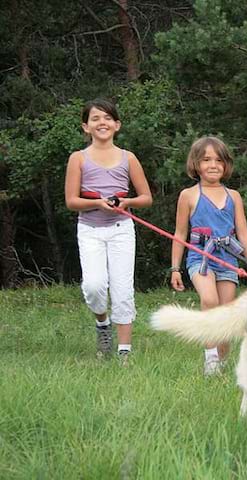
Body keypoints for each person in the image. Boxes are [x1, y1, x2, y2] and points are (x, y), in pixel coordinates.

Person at [64, 98, 153, 365]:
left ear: (117, 125)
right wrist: (97, 202)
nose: (101, 122)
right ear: (86, 127)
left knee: (123, 289)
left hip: (121, 230)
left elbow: (146, 197)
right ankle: (102, 324)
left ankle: (124, 352)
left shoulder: (129, 158)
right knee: (94, 286)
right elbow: (71, 201)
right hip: (90, 229)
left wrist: (126, 202)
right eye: (95, 118)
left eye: (107, 118)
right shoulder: (78, 158)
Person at [170, 136, 247, 376]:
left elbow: (243, 232)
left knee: (227, 312)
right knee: (209, 300)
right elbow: (180, 233)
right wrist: (175, 268)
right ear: (196, 164)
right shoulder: (188, 196)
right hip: (200, 259)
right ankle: (210, 358)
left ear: (226, 164)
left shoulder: (234, 197)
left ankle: (221, 361)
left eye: (219, 160)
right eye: (206, 159)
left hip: (228, 259)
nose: (213, 165)